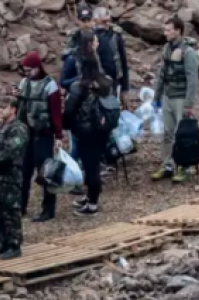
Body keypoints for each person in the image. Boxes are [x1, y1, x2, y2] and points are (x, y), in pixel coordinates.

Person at [65, 34, 114, 216]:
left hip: (85, 132)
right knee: (94, 166)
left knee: (90, 167)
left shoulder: (79, 87)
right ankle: (90, 196)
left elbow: (69, 111)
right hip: (102, 130)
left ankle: (92, 204)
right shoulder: (104, 84)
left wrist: (67, 126)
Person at [17, 52, 65, 222]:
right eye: (25, 70)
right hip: (26, 134)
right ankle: (20, 206)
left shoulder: (50, 85)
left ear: (38, 68)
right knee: (24, 172)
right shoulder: (24, 83)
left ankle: (48, 209)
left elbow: (56, 112)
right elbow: (20, 108)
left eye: (30, 70)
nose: (27, 73)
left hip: (44, 135)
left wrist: (58, 135)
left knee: (46, 173)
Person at [151, 18, 199, 184]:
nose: (166, 33)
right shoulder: (166, 49)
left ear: (178, 30)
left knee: (182, 135)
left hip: (180, 98)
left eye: (169, 30)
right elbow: (161, 75)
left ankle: (184, 167)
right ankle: (167, 164)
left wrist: (189, 104)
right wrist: (156, 97)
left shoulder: (188, 52)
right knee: (167, 134)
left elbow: (192, 79)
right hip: (168, 96)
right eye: (165, 30)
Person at [0, 98, 29, 260]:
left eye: (3, 107)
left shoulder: (19, 128)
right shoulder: (0, 127)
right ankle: (3, 241)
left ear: (13, 109)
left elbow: (11, 151)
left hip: (11, 175)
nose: (0, 110)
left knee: (11, 210)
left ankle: (14, 244)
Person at [93, 8, 131, 104]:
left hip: (114, 81)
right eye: (103, 21)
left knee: (112, 108)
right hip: (97, 82)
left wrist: (124, 88)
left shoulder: (115, 35)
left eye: (107, 21)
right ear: (95, 20)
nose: (106, 23)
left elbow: (123, 61)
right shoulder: (90, 37)